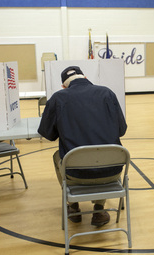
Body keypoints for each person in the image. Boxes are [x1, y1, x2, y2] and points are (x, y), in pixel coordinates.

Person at [38, 66, 127, 227]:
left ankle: (73, 206)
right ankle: (99, 209)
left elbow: (49, 135)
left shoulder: (58, 98)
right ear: (85, 78)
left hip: (76, 173)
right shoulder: (107, 93)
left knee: (57, 156)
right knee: (102, 155)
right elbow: (122, 130)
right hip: (112, 171)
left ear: (64, 86)